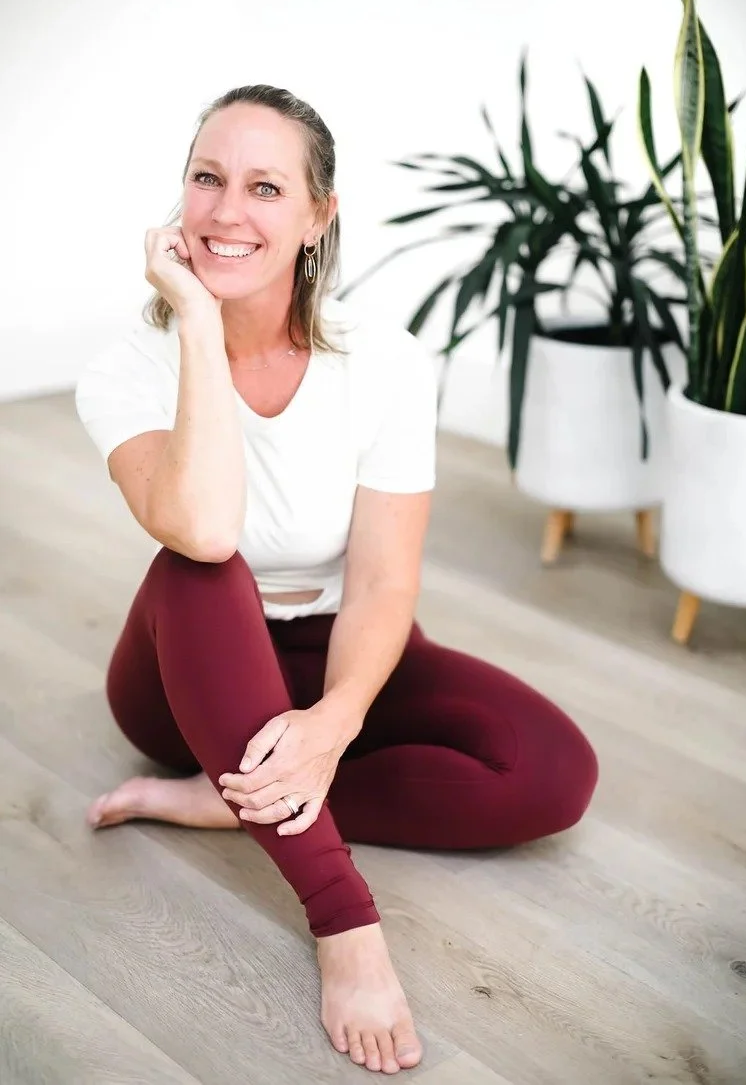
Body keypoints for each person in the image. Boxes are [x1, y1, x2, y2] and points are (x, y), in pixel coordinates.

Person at [75, 84, 599, 1076]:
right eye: (208, 179)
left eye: (267, 188)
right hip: (180, 679)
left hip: (329, 644)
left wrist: (335, 721)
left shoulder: (386, 363)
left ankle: (232, 800)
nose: (229, 212)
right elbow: (202, 525)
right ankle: (341, 915)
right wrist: (194, 323)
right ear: (180, 197)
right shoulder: (124, 370)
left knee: (551, 770)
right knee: (204, 562)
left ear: (319, 217)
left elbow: (385, 584)